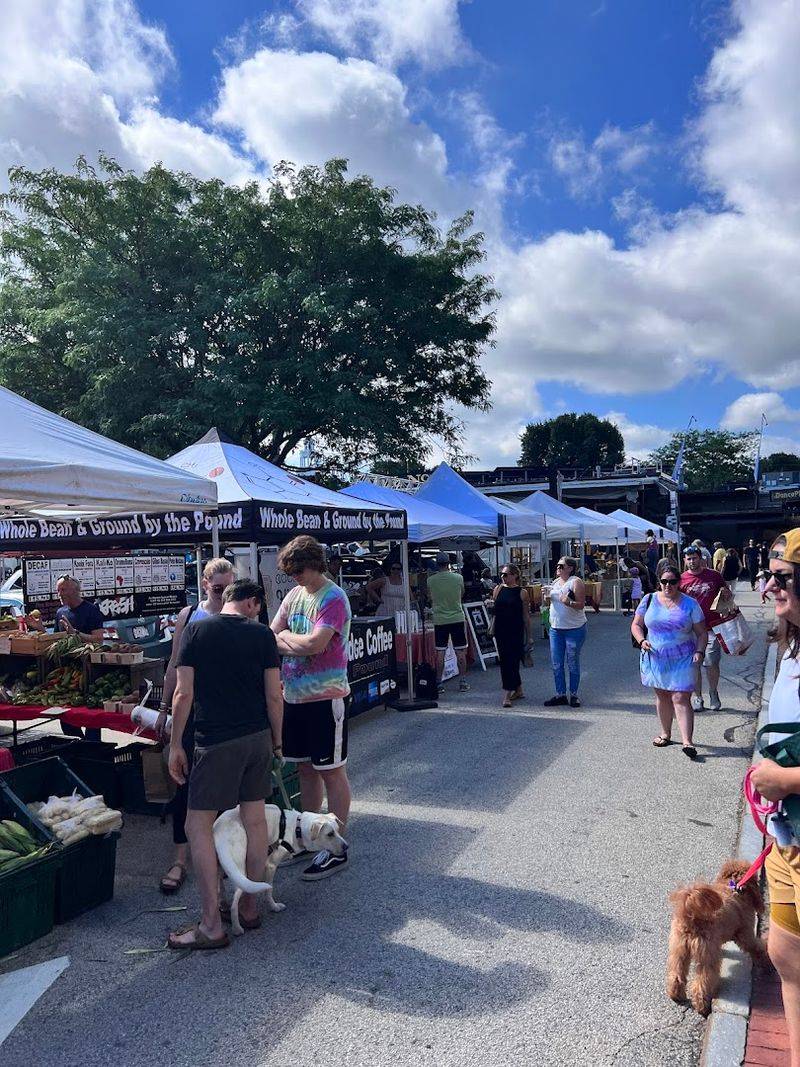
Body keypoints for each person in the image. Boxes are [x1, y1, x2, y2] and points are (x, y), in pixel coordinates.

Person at [167, 579, 283, 950]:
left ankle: (211, 924)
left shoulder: (196, 629)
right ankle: (248, 907)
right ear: (250, 603)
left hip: (215, 741)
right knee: (254, 820)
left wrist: (174, 745)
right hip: (257, 738)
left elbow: (183, 693)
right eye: (258, 606)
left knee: (195, 823)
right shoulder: (263, 636)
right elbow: (274, 696)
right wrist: (278, 741)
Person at [271, 535, 353, 880]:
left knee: (331, 770)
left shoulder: (333, 597)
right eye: (291, 573)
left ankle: (336, 845)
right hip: (294, 696)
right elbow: (270, 634)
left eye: (298, 571)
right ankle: (308, 837)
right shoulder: (295, 594)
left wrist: (290, 641)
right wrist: (296, 643)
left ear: (314, 564)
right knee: (305, 769)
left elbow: (315, 645)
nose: (295, 578)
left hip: (326, 697)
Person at [155, 557, 235, 894]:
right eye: (218, 588)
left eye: (228, 588)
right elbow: (175, 663)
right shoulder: (189, 616)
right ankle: (180, 859)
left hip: (228, 715)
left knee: (227, 790)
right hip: (191, 712)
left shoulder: (240, 613)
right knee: (184, 784)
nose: (223, 595)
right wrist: (162, 707)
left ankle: (223, 856)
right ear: (205, 584)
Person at [749, 531, 800, 1065]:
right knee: (786, 955)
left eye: (781, 578)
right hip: (787, 838)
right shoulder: (789, 646)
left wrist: (786, 782)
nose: (767, 587)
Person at [631, 564, 707, 759]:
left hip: (684, 658)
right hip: (656, 658)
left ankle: (687, 742)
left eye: (672, 582)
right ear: (659, 582)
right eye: (664, 581)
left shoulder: (690, 604)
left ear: (679, 582)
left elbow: (701, 633)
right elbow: (637, 625)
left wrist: (700, 651)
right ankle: (665, 733)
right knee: (663, 695)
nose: (668, 585)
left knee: (680, 697)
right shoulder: (648, 600)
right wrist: (642, 640)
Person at [680, 545, 726, 711]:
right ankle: (697, 697)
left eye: (695, 558)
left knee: (711, 661)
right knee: (694, 664)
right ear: (685, 561)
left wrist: (727, 612)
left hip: (711, 627)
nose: (692, 561)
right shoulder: (681, 579)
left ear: (701, 558)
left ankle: (713, 692)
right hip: (690, 629)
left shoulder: (714, 576)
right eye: (689, 558)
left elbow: (725, 594)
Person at [545, 556, 587, 708]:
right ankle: (560, 694)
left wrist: (568, 602)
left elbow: (581, 605)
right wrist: (547, 598)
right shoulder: (555, 582)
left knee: (572, 663)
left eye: (561, 566)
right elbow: (552, 601)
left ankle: (574, 694)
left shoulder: (575, 582)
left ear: (570, 568)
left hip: (574, 628)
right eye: (557, 565)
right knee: (557, 664)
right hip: (556, 628)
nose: (558, 568)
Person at [427, 551, 470, 693]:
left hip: (440, 619)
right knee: (460, 650)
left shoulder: (430, 580)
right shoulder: (458, 578)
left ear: (436, 564)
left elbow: (429, 596)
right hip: (457, 616)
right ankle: (463, 681)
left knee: (440, 652)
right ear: (448, 563)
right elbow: (461, 594)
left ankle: (439, 682)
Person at [492, 564, 531, 707]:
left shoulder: (522, 592)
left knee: (512, 661)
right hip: (501, 630)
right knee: (505, 661)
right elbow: (495, 610)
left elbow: (526, 615)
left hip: (515, 630)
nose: (503, 577)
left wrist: (530, 636)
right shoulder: (498, 589)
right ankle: (518, 689)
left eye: (506, 574)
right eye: (502, 574)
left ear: (515, 575)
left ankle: (507, 695)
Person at [25, 574, 104, 641]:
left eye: (63, 590)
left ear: (76, 590)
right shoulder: (60, 612)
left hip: (85, 658)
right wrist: (40, 628)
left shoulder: (92, 610)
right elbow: (55, 640)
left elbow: (98, 639)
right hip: (65, 658)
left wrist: (75, 633)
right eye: (58, 591)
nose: (59, 594)